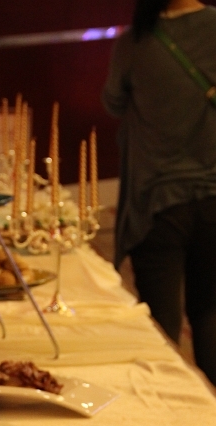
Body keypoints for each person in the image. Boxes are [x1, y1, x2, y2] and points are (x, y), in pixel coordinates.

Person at [103, 0, 216, 385]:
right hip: (214, 197)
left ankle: (173, 409)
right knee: (210, 312)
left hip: (156, 204)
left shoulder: (135, 41)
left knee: (162, 328)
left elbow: (113, 101)